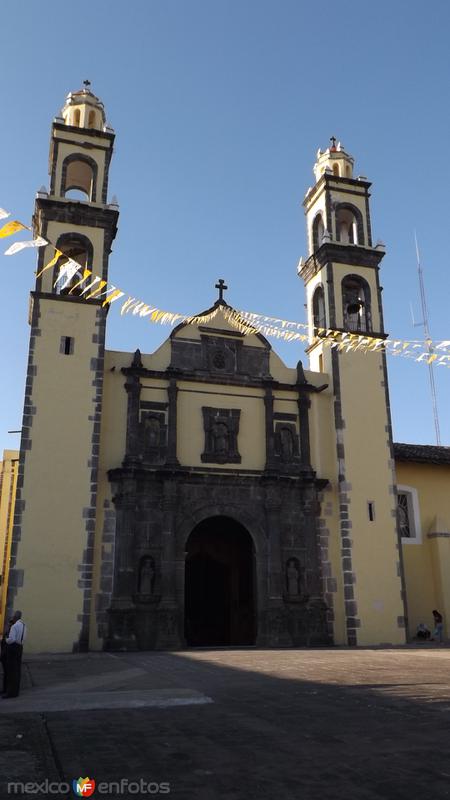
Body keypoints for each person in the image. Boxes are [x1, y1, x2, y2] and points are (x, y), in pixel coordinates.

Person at [3, 611, 26, 698]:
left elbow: (11, 639)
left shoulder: (14, 626)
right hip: (20, 647)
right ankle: (15, 691)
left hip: (12, 648)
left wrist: (6, 639)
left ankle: (10, 692)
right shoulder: (24, 625)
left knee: (11, 671)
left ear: (15, 617)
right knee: (17, 670)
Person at [0, 619, 13, 694]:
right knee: (6, 673)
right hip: (5, 656)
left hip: (6, 656)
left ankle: (6, 689)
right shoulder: (7, 633)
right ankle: (5, 689)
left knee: (7, 673)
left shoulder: (8, 634)